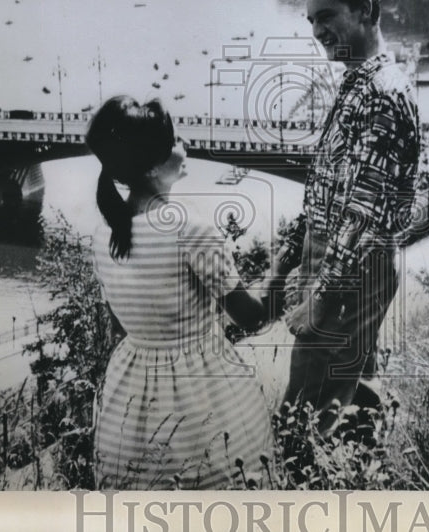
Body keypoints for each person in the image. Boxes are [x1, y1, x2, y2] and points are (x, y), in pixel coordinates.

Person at [85, 95, 292, 489]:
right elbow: (251, 317)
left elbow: (119, 324)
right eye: (177, 139)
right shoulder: (190, 230)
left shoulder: (102, 236)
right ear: (152, 164)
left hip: (129, 390)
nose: (185, 146)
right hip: (202, 387)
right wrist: (280, 271)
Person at [279, 0, 420, 437]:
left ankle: (306, 501)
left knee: (303, 419)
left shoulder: (379, 92)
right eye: (312, 21)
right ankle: (359, 487)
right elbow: (337, 191)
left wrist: (320, 297)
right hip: (349, 268)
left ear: (364, 9)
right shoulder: (362, 82)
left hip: (348, 273)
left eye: (327, 16)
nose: (318, 31)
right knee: (353, 395)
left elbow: (362, 213)